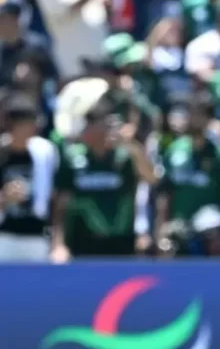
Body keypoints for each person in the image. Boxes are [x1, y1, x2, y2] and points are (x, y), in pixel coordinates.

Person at [51, 99, 159, 261]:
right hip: (82, 242)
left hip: (122, 243)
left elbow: (152, 178)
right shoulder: (72, 158)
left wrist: (133, 147)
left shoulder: (125, 158)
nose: (110, 131)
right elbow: (61, 206)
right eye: (106, 125)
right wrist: (58, 244)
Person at [154, 93, 220, 249]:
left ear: (209, 119)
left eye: (198, 114)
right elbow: (165, 193)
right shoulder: (174, 149)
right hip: (178, 230)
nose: (192, 119)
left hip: (210, 235)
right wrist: (161, 231)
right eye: (190, 113)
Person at [0, 96, 58, 262]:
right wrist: (5, 198)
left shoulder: (45, 153)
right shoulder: (2, 154)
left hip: (37, 235)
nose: (33, 128)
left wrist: (56, 242)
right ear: (12, 125)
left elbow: (55, 197)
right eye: (26, 123)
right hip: (5, 236)